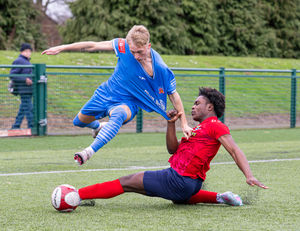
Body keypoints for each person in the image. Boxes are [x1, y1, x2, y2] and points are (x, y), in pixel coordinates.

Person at [64, 87, 268, 208]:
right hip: (188, 185)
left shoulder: (215, 126)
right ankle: (220, 198)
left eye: (197, 103)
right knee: (170, 197)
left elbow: (234, 150)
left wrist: (248, 175)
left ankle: (77, 195)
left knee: (127, 182)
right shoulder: (198, 129)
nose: (192, 106)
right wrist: (171, 123)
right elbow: (173, 150)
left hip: (179, 180)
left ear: (210, 107)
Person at [42, 25, 192, 165]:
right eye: (132, 52)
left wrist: (184, 123)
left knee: (119, 114)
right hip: (105, 93)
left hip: (128, 104)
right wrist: (63, 47)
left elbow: (173, 95)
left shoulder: (160, 68)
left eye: (139, 52)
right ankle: (97, 127)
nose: (136, 56)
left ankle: (88, 152)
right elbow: (92, 46)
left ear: (149, 46)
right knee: (79, 122)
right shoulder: (123, 46)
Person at [10, 43, 34, 129]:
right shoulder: (18, 61)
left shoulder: (27, 61)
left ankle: (16, 126)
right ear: (21, 52)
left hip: (28, 89)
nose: (28, 53)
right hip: (24, 89)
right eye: (26, 51)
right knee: (29, 109)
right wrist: (25, 79)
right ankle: (32, 127)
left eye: (29, 51)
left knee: (23, 109)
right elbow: (12, 75)